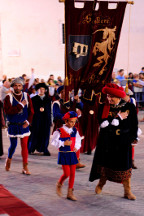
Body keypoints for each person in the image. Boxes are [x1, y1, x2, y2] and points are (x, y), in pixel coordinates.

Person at [89, 83, 138, 200]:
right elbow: (104, 126)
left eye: (112, 97)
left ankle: (127, 191)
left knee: (125, 167)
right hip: (107, 142)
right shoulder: (103, 107)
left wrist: (133, 138)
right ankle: (100, 184)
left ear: (119, 97)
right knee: (105, 166)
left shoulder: (129, 107)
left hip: (123, 142)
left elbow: (133, 124)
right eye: (108, 96)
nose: (109, 99)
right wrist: (118, 118)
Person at [4, 77, 34, 175]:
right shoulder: (9, 97)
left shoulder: (26, 95)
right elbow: (8, 111)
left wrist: (28, 122)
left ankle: (25, 167)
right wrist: (20, 105)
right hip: (13, 125)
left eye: (19, 85)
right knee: (13, 145)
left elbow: (31, 111)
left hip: (23, 125)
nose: (17, 87)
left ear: (22, 86)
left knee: (24, 146)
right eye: (15, 85)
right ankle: (9, 159)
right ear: (13, 86)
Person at [51, 111, 82, 201]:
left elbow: (78, 140)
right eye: (71, 122)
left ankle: (70, 192)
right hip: (64, 154)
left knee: (73, 173)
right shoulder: (59, 131)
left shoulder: (75, 130)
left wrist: (76, 146)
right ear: (66, 121)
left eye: (74, 122)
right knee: (66, 173)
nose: (73, 124)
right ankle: (59, 184)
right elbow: (53, 142)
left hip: (72, 154)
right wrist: (63, 143)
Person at [52, 85, 85, 168]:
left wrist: (78, 101)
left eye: (66, 92)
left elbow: (82, 107)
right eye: (62, 92)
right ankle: (66, 161)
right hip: (63, 126)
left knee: (76, 141)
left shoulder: (73, 101)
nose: (64, 93)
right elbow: (56, 115)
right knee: (65, 143)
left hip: (74, 125)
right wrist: (68, 116)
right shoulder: (57, 103)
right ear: (59, 94)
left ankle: (77, 161)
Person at [28, 83, 52, 156]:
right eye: (40, 89)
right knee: (34, 133)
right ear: (37, 90)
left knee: (45, 134)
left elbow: (50, 110)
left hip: (45, 119)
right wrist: (30, 120)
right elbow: (30, 110)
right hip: (36, 119)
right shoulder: (33, 99)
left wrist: (51, 120)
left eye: (43, 89)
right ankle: (31, 148)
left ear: (45, 90)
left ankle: (44, 148)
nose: (41, 91)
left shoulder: (48, 99)